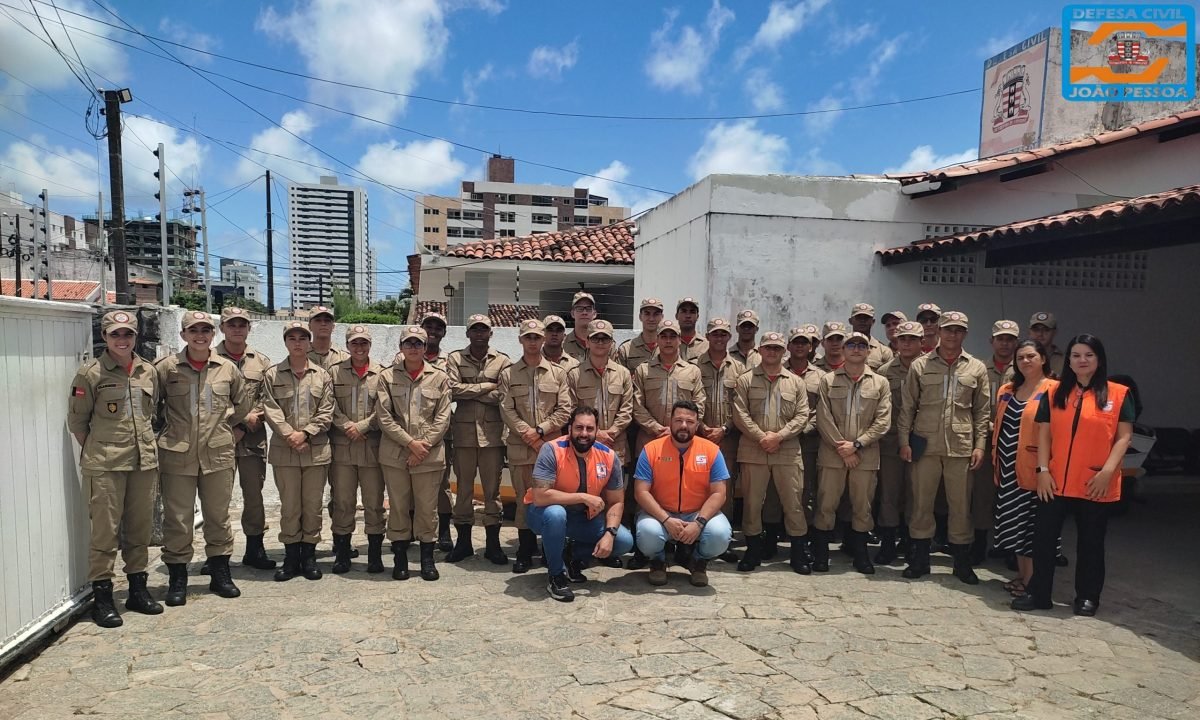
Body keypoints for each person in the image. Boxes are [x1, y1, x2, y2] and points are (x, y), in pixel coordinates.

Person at [1013, 335, 1133, 617]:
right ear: (1068, 361)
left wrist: (1107, 473)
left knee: (1091, 542)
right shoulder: (1055, 393)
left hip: (1094, 482)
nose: (1082, 360)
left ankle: (1088, 596)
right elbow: (1044, 433)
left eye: (1088, 355)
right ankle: (1038, 593)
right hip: (1054, 481)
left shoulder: (1118, 394)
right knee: (1043, 539)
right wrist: (1042, 471)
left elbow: (1123, 437)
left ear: (1099, 359)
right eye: (1076, 355)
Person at [68, 310, 162, 627]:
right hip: (105, 466)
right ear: (105, 337)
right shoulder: (91, 373)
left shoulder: (148, 371)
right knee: (105, 534)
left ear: (135, 336)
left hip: (143, 461)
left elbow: (153, 413)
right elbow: (78, 424)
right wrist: (102, 451)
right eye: (115, 334)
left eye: (128, 334)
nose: (122, 340)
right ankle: (104, 598)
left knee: (139, 530)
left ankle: (138, 589)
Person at [156, 310, 251, 606]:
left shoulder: (226, 368)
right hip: (178, 455)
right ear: (183, 335)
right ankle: (178, 579)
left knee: (218, 517)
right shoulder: (167, 368)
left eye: (205, 330)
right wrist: (165, 434)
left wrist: (231, 430)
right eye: (193, 330)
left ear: (213, 335)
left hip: (218, 454)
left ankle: (220, 574)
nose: (200, 335)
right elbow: (151, 404)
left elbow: (243, 403)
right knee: (178, 519)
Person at [897, 311, 990, 584]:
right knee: (921, 504)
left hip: (961, 447)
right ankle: (920, 560)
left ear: (965, 334)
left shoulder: (976, 368)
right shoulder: (920, 365)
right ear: (938, 332)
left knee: (960, 506)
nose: (952, 335)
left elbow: (982, 412)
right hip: (924, 445)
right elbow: (908, 408)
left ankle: (961, 563)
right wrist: (904, 441)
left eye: (958, 330)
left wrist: (980, 446)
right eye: (948, 329)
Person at [526, 406, 635, 602]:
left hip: (583, 518)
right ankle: (556, 576)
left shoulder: (609, 457)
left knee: (623, 542)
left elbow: (616, 501)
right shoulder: (551, 449)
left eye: (589, 428)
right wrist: (583, 497)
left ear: (596, 430)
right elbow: (540, 496)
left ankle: (571, 554)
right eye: (579, 428)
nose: (584, 433)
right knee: (556, 514)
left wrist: (610, 534)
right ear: (569, 429)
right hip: (542, 513)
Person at [732, 331, 814, 574]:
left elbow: (802, 415)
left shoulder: (795, 382)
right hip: (753, 450)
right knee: (753, 504)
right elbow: (739, 413)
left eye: (777, 349)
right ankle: (753, 551)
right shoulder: (746, 379)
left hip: (787, 450)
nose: (772, 352)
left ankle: (798, 553)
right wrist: (761, 437)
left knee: (793, 504)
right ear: (760, 349)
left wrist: (779, 436)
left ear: (784, 351)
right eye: (768, 348)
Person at [376, 325, 452, 581]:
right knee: (398, 507)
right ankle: (400, 559)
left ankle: (427, 560)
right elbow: (384, 417)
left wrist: (423, 446)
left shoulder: (439, 377)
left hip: (429, 456)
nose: (413, 348)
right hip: (396, 455)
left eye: (418, 344)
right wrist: (410, 443)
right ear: (401, 347)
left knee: (427, 509)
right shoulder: (387, 378)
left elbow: (443, 417)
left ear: (425, 347)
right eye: (408, 343)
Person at [813, 332, 892, 574]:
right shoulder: (828, 380)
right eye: (851, 345)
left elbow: (883, 420)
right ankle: (821, 555)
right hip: (833, 454)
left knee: (862, 506)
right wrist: (843, 447)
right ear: (844, 350)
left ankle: (861, 556)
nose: (856, 349)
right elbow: (823, 418)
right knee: (826, 504)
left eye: (862, 345)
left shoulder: (880, 383)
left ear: (869, 351)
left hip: (865, 456)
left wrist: (857, 445)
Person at [262, 321, 335, 582]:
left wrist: (305, 434)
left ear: (309, 342)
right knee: (290, 506)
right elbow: (270, 409)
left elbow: (327, 411)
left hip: (315, 450)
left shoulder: (322, 376)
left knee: (313, 506)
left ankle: (310, 556)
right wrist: (290, 435)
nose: (297, 342)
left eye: (302, 338)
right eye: (292, 338)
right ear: (285, 342)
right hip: (285, 452)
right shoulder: (272, 375)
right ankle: (291, 557)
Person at [498, 319, 573, 573]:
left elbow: (565, 409)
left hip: (550, 449)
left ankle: (549, 548)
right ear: (520, 340)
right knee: (523, 500)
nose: (532, 341)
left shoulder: (557, 373)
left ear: (543, 340)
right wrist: (528, 433)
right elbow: (506, 408)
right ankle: (524, 549)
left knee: (551, 499)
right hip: (521, 448)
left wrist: (542, 430)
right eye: (527, 337)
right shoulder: (509, 374)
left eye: (536, 337)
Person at [634, 400, 733, 587]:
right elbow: (641, 492)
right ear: (670, 422)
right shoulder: (651, 449)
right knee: (647, 533)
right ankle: (657, 561)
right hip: (661, 513)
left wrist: (699, 522)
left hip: (697, 513)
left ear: (697, 424)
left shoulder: (712, 451)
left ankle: (698, 561)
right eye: (679, 420)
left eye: (689, 421)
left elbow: (719, 493)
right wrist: (666, 519)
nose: (684, 426)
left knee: (720, 535)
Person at [446, 314, 512, 564]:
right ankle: (463, 544)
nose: (479, 334)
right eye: (474, 330)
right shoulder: (455, 358)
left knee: (492, 492)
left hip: (492, 438)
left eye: (484, 330)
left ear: (491, 333)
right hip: (463, 436)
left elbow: (504, 395)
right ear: (467, 333)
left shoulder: (503, 360)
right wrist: (486, 386)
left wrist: (470, 391)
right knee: (462, 491)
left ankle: (493, 545)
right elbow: (451, 389)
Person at [215, 307, 276, 570]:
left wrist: (249, 421)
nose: (237, 329)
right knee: (217, 498)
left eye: (242, 325)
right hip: (219, 439)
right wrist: (236, 423)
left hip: (252, 438)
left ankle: (255, 548)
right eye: (232, 325)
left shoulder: (260, 362)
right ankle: (217, 553)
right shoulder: (210, 358)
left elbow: (269, 398)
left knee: (254, 496)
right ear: (222, 328)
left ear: (249, 329)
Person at [992, 340, 1053, 597]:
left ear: (1043, 359)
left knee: (1033, 528)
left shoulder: (1054, 390)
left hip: (1037, 470)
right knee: (1016, 526)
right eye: (1021, 358)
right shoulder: (1008, 389)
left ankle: (1033, 582)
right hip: (1008, 468)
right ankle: (1022, 575)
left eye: (1031, 356)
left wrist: (1045, 470)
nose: (1025, 361)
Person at [327, 325, 385, 574]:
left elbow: (385, 408)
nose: (359, 348)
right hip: (343, 447)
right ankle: (342, 554)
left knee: (374, 503)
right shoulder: (334, 372)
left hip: (371, 447)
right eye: (354, 343)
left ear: (370, 345)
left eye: (363, 343)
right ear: (347, 345)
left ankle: (374, 555)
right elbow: (328, 404)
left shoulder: (382, 373)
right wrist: (346, 426)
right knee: (343, 502)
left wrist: (362, 426)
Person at [969, 320, 1020, 565]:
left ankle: (1011, 548)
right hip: (986, 441)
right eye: (1000, 338)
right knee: (982, 494)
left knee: (1012, 495)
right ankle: (979, 544)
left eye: (1010, 339)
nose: (1005, 343)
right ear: (992, 341)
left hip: (1015, 443)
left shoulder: (1024, 369)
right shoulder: (978, 368)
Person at [873, 320, 923, 565]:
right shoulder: (884, 372)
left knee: (916, 494)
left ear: (921, 342)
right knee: (889, 494)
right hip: (891, 440)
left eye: (912, 339)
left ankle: (912, 542)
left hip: (922, 441)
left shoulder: (929, 368)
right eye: (902, 339)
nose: (906, 343)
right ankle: (888, 542)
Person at [694, 318, 745, 529]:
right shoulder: (695, 366)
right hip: (699, 437)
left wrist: (725, 429)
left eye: (723, 334)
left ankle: (723, 534)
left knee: (725, 487)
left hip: (728, 439)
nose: (719, 338)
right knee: (698, 485)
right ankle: (697, 530)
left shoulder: (739, 368)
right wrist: (702, 427)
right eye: (715, 334)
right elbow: (691, 400)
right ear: (707, 337)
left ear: (729, 337)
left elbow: (742, 405)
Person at [631, 319, 707, 461]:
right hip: (650, 440)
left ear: (679, 340)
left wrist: (679, 428)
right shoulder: (643, 370)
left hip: (683, 441)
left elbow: (699, 404)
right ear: (657, 340)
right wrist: (657, 428)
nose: (668, 341)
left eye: (672, 337)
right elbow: (637, 405)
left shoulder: (692, 371)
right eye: (663, 337)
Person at [566, 319, 635, 467]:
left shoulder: (623, 374)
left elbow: (627, 408)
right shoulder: (575, 374)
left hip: (615, 445)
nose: (600, 342)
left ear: (611, 343)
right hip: (584, 446)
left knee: (615, 490)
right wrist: (595, 433)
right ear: (587, 342)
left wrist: (611, 432)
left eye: (605, 338)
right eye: (595, 338)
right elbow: (571, 409)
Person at [786, 325, 826, 543]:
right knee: (779, 490)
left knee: (806, 489)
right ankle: (775, 533)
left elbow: (824, 411)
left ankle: (806, 536)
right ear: (788, 346)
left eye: (804, 343)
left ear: (811, 347)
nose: (800, 346)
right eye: (796, 342)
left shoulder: (821, 377)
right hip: (782, 442)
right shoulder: (777, 371)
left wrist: (804, 429)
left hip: (809, 441)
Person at [419, 310, 455, 551]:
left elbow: (454, 390)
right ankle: (415, 530)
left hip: (441, 433)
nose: (433, 330)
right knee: (411, 485)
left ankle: (443, 531)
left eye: (438, 326)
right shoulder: (403, 359)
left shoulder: (449, 362)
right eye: (428, 326)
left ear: (443, 332)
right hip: (409, 434)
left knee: (441, 485)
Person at [616, 297, 664, 373]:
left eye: (656, 314)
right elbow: (620, 380)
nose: (651, 319)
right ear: (640, 317)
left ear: (662, 317)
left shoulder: (669, 347)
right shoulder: (626, 349)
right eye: (647, 314)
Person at [848, 303, 894, 370]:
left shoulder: (884, 351)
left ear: (873, 322)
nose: (862, 321)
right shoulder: (841, 347)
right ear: (850, 321)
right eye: (858, 318)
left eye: (866, 318)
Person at [306, 305, 349, 371]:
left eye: (327, 320)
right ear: (309, 326)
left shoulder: (345, 358)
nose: (323, 323)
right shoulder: (300, 356)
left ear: (333, 327)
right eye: (318, 320)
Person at [562, 291, 600, 361]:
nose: (584, 312)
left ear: (594, 314)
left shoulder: (604, 343)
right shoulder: (563, 344)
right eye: (580, 309)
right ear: (572, 313)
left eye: (588, 309)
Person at [1028, 312, 1064, 377]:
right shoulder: (1022, 359)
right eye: (1036, 330)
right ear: (1029, 331)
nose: (1040, 334)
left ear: (1054, 332)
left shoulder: (1065, 360)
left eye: (1046, 330)